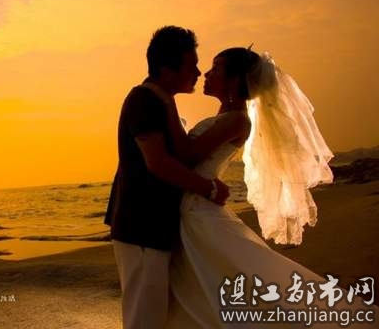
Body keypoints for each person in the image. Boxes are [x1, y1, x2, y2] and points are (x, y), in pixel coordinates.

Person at [162, 47, 378, 328]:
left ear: (234, 80)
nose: (207, 74)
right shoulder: (226, 116)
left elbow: (189, 154)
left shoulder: (237, 119)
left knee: (222, 281)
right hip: (193, 203)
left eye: (216, 69)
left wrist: (168, 105)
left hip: (196, 208)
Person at [104, 26, 231, 329]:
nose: (198, 73)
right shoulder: (143, 101)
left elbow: (181, 153)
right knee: (144, 320)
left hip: (153, 227)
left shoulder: (159, 99)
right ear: (166, 70)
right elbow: (158, 162)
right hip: (141, 227)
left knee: (157, 316)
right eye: (191, 66)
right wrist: (209, 189)